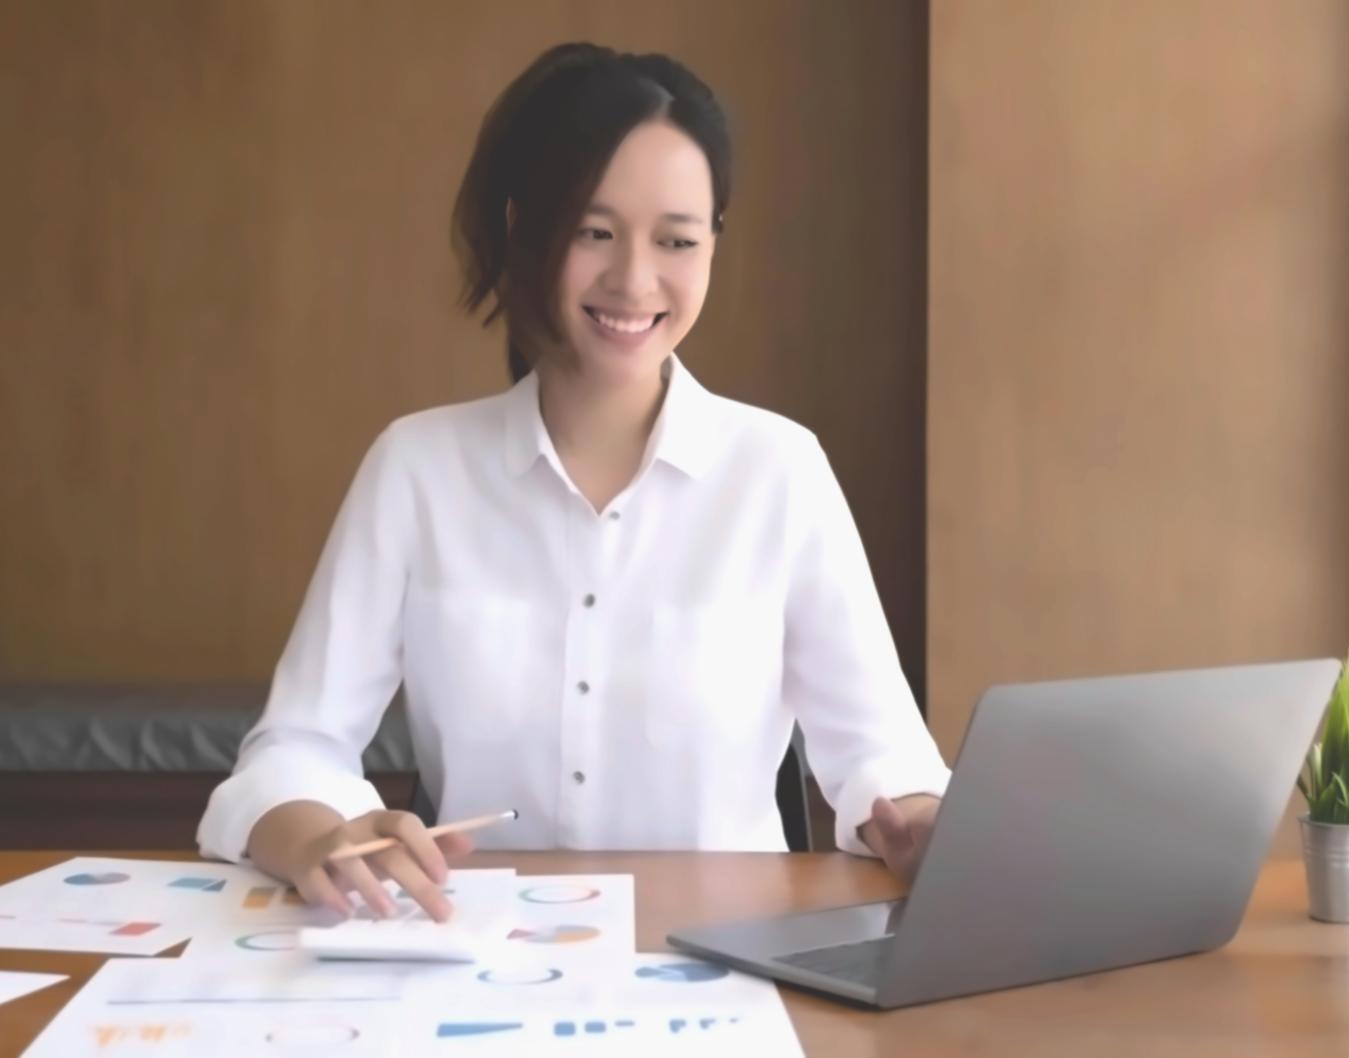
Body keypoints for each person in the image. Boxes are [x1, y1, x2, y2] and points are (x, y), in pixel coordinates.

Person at [196, 42, 950, 923]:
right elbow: (295, 749)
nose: (633, 279)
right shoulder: (417, 469)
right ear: (524, 229)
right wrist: (315, 835)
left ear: (713, 245)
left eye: (675, 240)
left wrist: (921, 824)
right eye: (595, 232)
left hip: (728, 957)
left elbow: (884, 758)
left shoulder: (778, 470)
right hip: (477, 951)